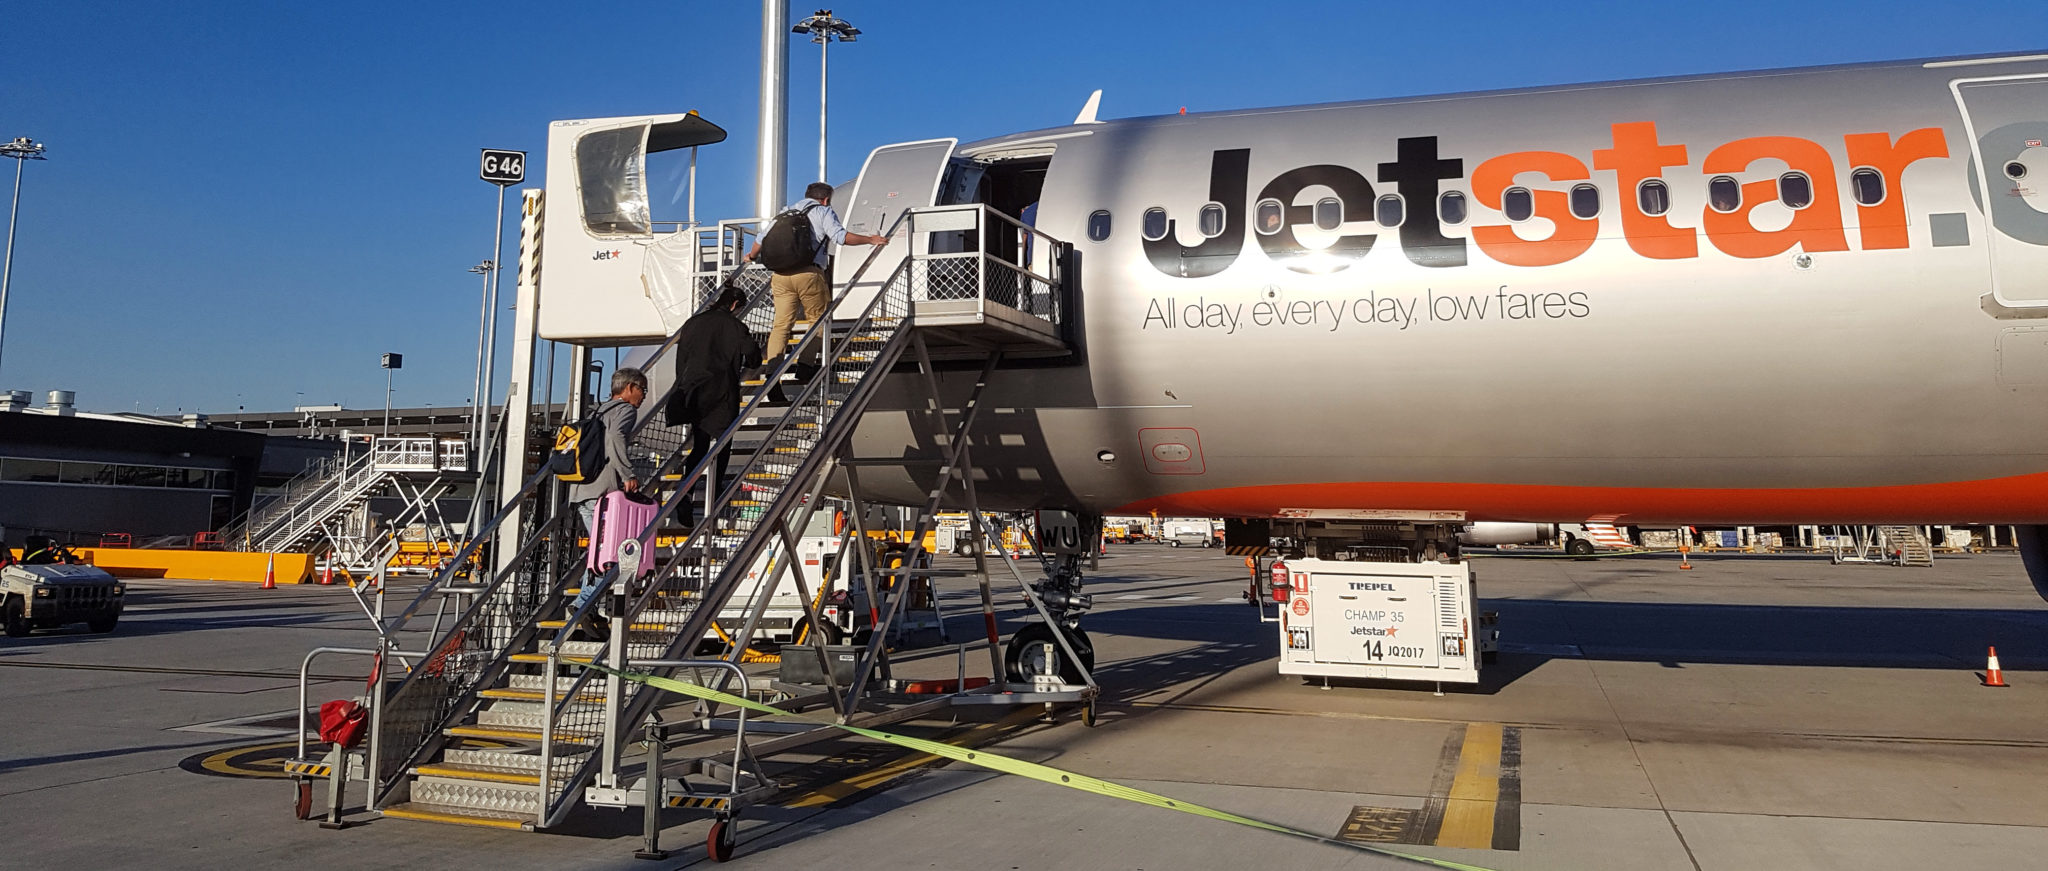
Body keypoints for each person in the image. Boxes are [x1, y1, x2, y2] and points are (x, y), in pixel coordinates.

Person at [744, 182, 890, 368]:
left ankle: (772, 372)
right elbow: (840, 237)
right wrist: (870, 239)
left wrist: (751, 256)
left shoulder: (784, 213)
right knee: (819, 320)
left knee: (781, 325)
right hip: (808, 274)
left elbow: (760, 240)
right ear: (826, 199)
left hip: (780, 276)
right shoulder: (823, 212)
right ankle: (806, 365)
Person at [665, 285, 759, 524]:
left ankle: (685, 493)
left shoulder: (692, 323)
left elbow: (681, 360)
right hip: (721, 392)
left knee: (700, 446)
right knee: (723, 444)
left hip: (693, 390)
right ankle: (715, 494)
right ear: (735, 305)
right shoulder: (734, 326)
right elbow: (753, 355)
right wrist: (748, 363)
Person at [567, 368, 647, 639]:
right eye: (642, 390)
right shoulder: (625, 410)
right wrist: (628, 474)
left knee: (601, 552)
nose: (643, 396)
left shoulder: (597, 411)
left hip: (582, 490)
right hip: (602, 494)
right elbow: (615, 438)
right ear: (630, 388)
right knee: (611, 554)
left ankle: (588, 607)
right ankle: (582, 604)